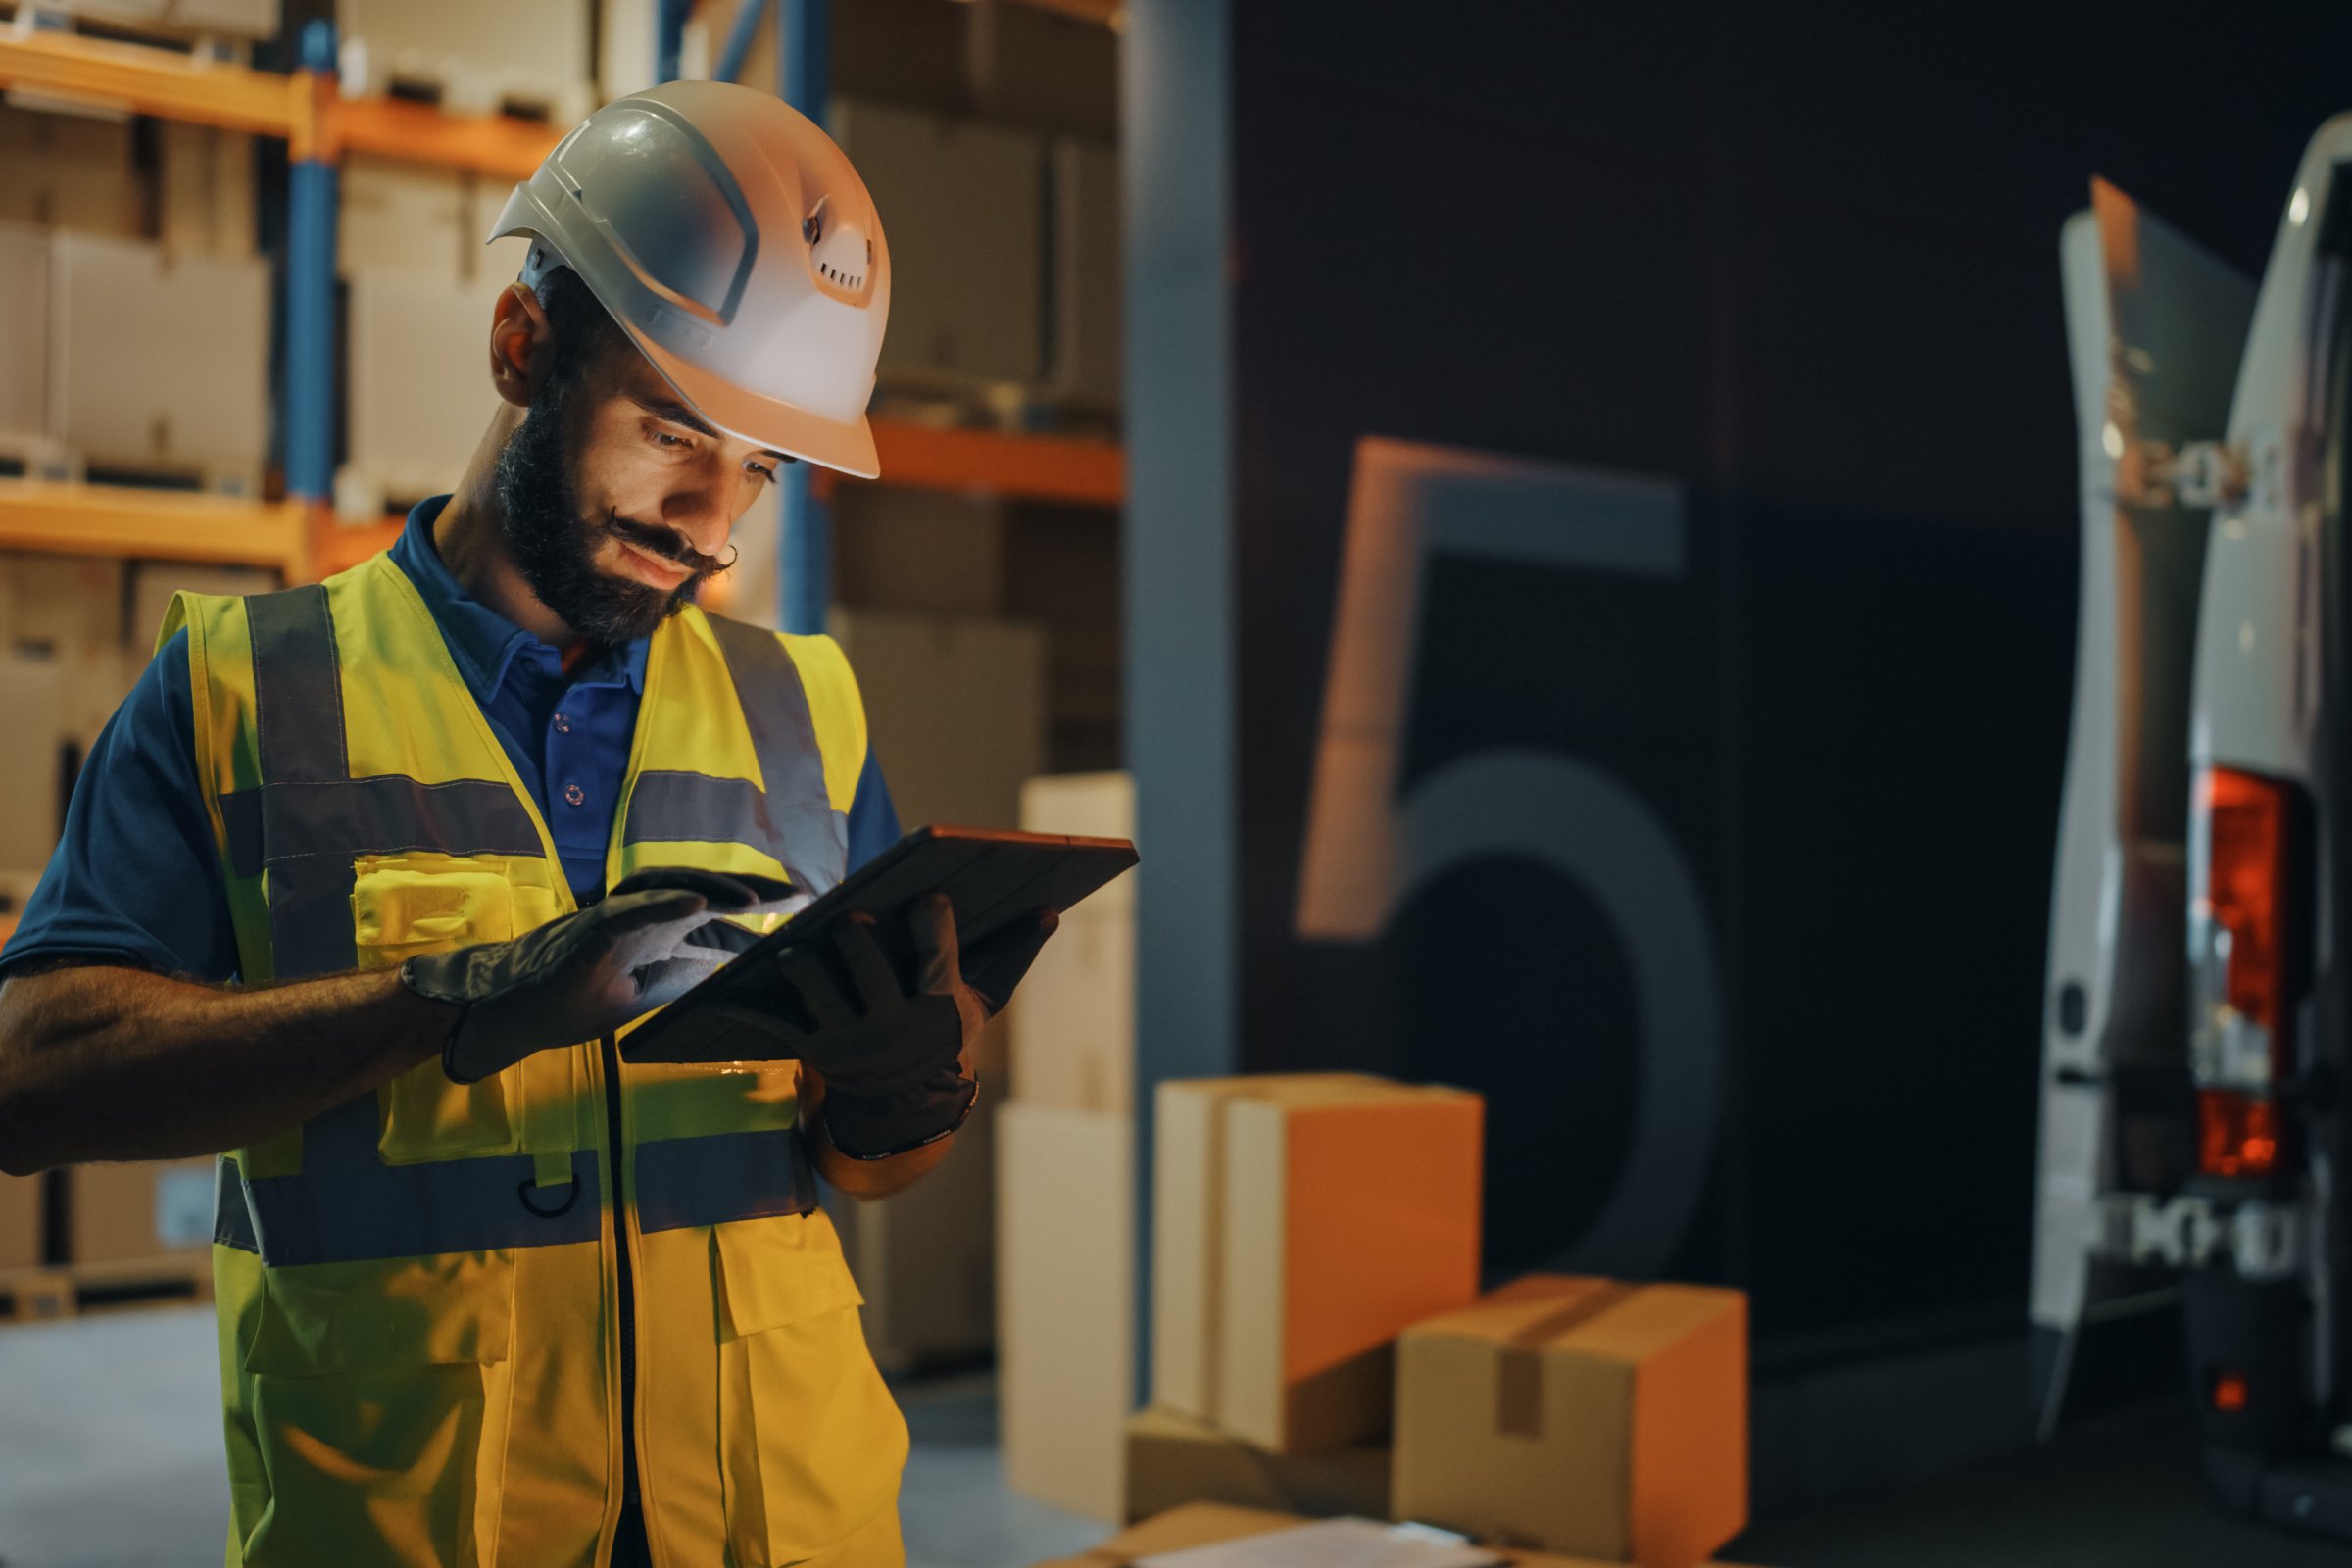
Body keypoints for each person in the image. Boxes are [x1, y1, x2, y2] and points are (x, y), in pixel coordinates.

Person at [0, 80, 1052, 1567]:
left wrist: (908, 1088)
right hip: (421, 1520)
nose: (713, 523)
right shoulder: (250, 687)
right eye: (675, 433)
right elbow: (30, 1073)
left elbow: (864, 1164)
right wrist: (451, 1002)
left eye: (761, 468)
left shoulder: (803, 706)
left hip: (772, 1526)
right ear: (523, 344)